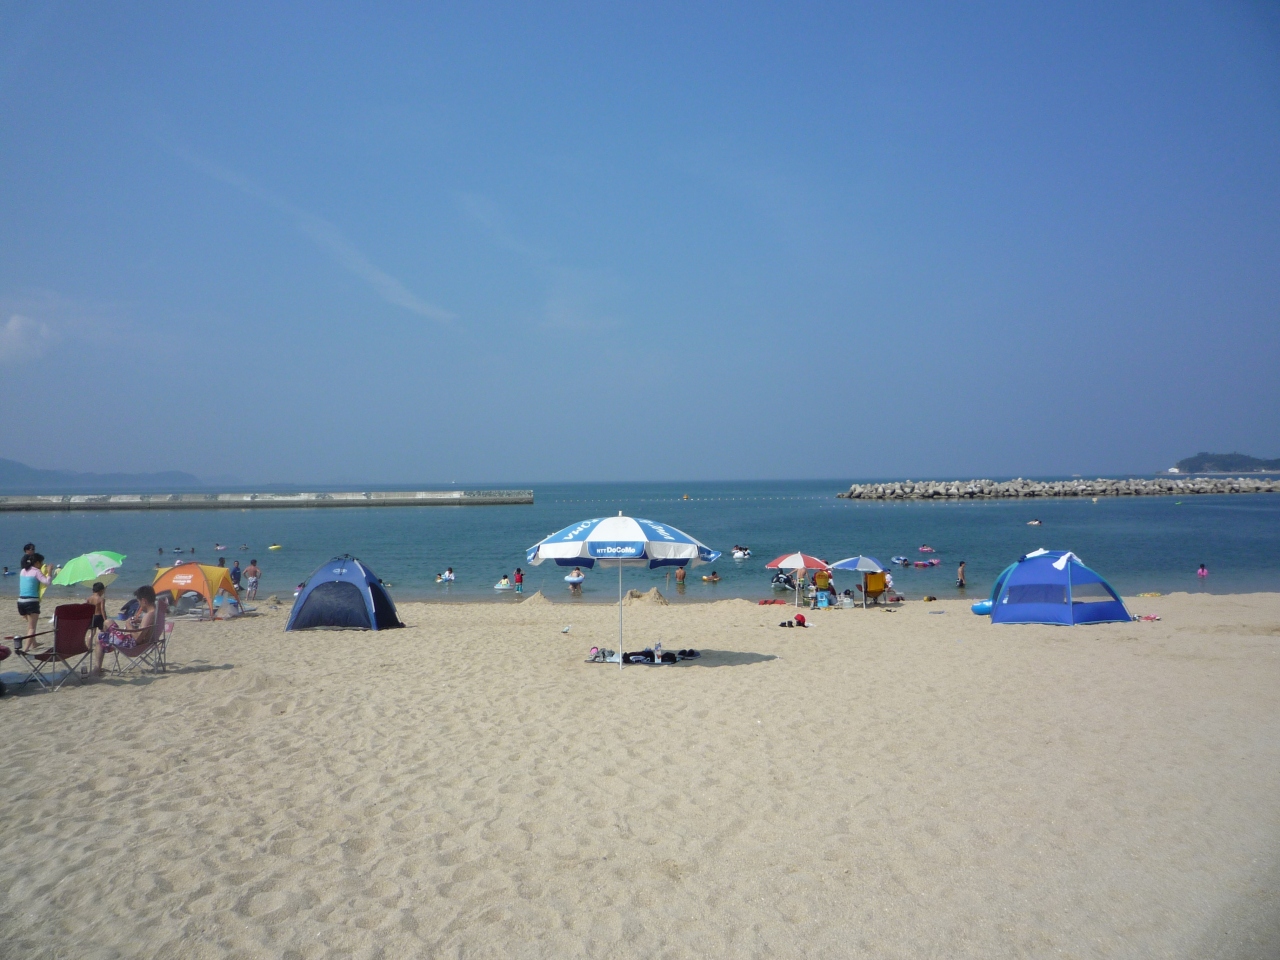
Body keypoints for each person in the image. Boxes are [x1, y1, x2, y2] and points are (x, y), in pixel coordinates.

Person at [92, 585, 157, 677]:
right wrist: (139, 621)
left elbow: (137, 639)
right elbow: (146, 627)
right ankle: (107, 644)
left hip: (131, 646)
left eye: (139, 602)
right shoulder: (155, 613)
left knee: (100, 636)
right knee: (108, 622)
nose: (139, 605)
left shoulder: (148, 616)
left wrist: (128, 624)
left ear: (144, 601)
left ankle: (97, 668)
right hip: (140, 643)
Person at [16, 553, 51, 651]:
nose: (42, 564)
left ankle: (34, 643)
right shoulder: (36, 571)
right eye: (41, 563)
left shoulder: (23, 571)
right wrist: (49, 572)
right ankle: (26, 649)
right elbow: (47, 582)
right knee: (32, 628)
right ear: (37, 563)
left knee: (30, 625)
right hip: (31, 602)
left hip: (21, 601)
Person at [86, 582, 108, 648]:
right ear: (101, 590)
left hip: (92, 617)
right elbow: (102, 610)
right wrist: (105, 619)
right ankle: (102, 645)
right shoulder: (101, 599)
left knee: (92, 633)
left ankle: (89, 647)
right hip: (99, 616)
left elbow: (87, 608)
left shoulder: (89, 598)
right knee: (103, 631)